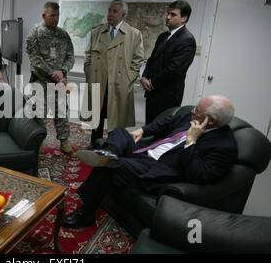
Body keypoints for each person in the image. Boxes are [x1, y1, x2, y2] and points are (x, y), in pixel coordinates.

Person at [64, 95, 238, 228]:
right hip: (146, 153)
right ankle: (109, 153)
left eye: (198, 110)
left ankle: (86, 214)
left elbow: (198, 174)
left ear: (212, 121)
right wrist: (142, 130)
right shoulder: (192, 118)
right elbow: (167, 123)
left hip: (158, 169)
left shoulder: (224, 147)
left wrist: (191, 142)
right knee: (120, 132)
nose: (193, 111)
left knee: (111, 166)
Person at [84, 0, 144, 149]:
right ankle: (94, 145)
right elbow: (88, 56)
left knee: (115, 120)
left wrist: (128, 78)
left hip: (119, 84)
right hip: (99, 82)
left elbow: (138, 59)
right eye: (109, 10)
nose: (110, 14)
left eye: (114, 11)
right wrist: (90, 73)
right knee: (96, 116)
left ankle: (112, 146)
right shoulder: (97, 32)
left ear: (123, 15)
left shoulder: (134, 34)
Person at [26, 2, 75, 156]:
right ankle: (39, 143)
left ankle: (64, 143)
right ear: (44, 15)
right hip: (40, 81)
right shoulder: (35, 34)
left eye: (58, 15)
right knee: (39, 115)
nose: (56, 19)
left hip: (60, 82)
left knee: (61, 113)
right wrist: (53, 73)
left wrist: (63, 71)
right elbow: (35, 59)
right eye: (52, 15)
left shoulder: (63, 35)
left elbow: (70, 56)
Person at [141, 0, 196, 124]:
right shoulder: (163, 36)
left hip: (167, 96)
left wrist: (152, 83)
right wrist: (144, 76)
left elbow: (174, 69)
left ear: (184, 18)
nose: (168, 17)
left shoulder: (187, 40)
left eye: (173, 14)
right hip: (152, 93)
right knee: (149, 127)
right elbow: (152, 59)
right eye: (168, 13)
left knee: (161, 132)